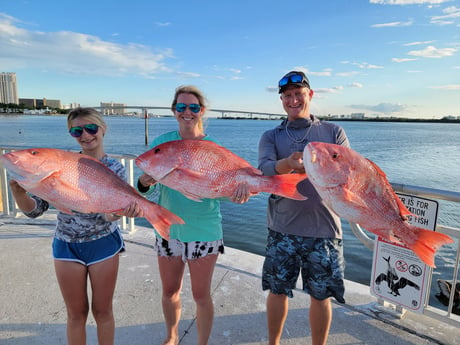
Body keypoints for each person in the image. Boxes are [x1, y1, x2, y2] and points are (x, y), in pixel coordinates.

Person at [9, 107, 142, 345]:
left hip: (103, 245)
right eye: (76, 131)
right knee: (76, 315)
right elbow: (35, 210)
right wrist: (19, 193)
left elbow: (110, 217)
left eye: (91, 128)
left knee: (103, 312)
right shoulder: (60, 164)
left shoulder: (115, 168)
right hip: (66, 245)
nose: (85, 135)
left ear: (103, 129)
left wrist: (118, 214)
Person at [137, 85, 249, 345]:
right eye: (181, 107)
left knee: (201, 295)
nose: (187, 112)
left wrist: (236, 194)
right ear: (174, 111)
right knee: (169, 291)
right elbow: (147, 191)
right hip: (168, 229)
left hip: (204, 230)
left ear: (202, 111)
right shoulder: (160, 145)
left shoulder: (213, 147)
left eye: (193, 107)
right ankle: (172, 336)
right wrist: (144, 183)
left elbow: (219, 192)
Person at [258, 71, 350, 345]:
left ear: (310, 95)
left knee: (321, 296)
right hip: (281, 229)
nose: (293, 99)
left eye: (299, 93)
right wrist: (288, 164)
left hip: (324, 230)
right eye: (287, 96)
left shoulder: (333, 132)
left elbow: (347, 172)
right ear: (282, 100)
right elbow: (264, 170)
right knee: (277, 291)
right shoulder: (271, 135)